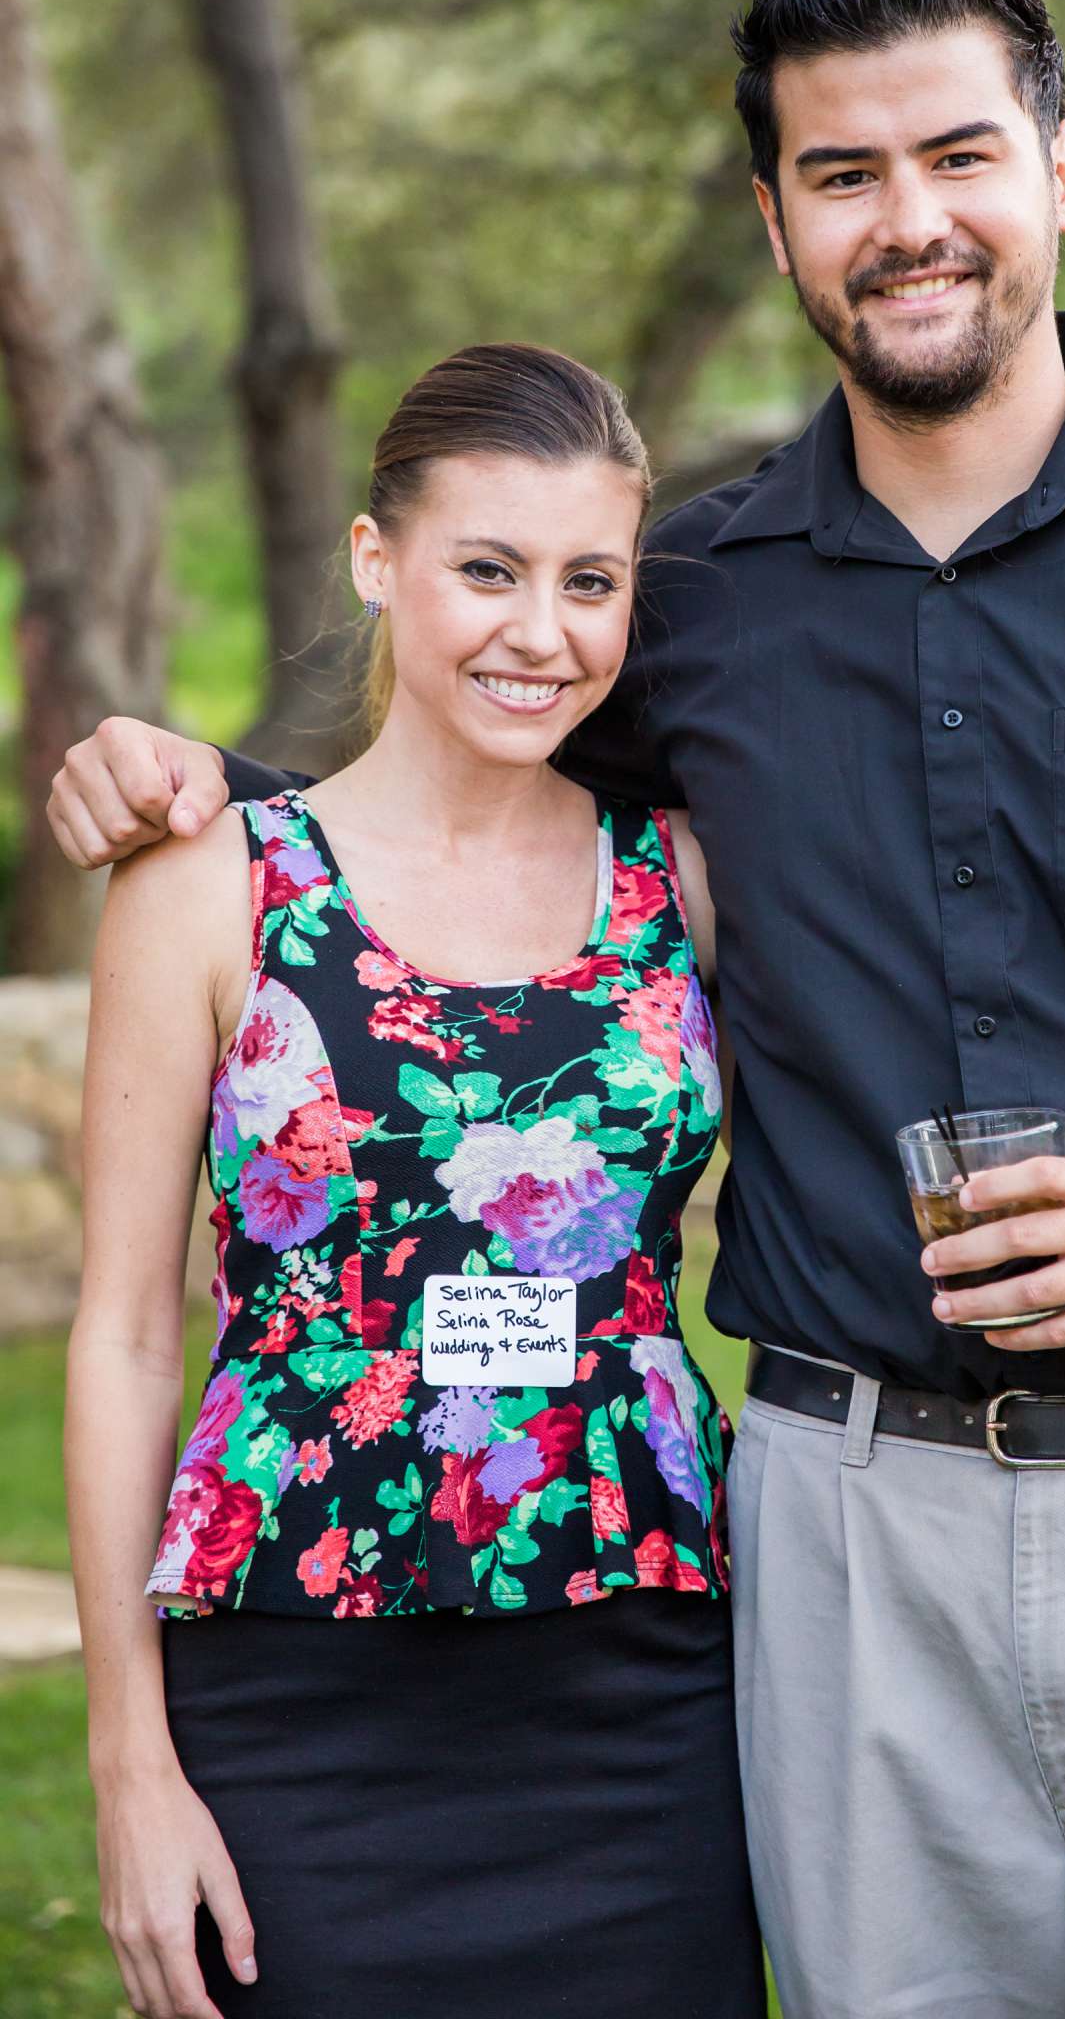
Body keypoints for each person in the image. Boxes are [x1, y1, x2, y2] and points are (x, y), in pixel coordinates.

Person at [53, 0, 1065, 2019]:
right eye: (841, 175)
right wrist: (197, 786)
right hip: (847, 1555)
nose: (909, 222)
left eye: (956, 155)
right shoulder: (683, 602)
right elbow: (452, 828)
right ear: (777, 223)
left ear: (1059, 168)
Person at [64, 344, 765, 2019]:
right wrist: (129, 1767)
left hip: (643, 1694)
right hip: (296, 1700)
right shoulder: (211, 886)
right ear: (379, 561)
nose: (543, 631)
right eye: (488, 569)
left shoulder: (681, 874)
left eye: (591, 580)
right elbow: (123, 1339)